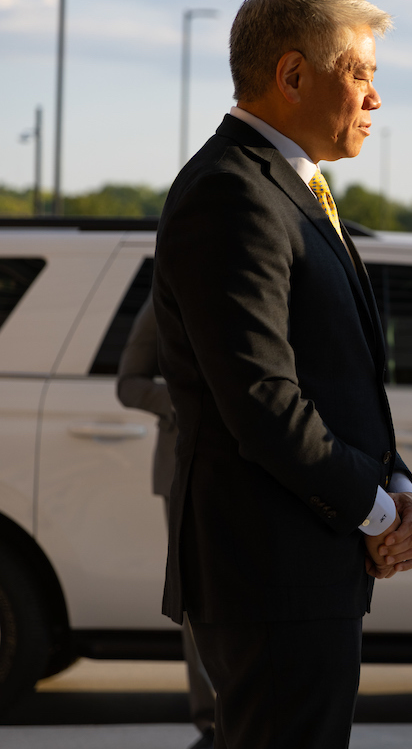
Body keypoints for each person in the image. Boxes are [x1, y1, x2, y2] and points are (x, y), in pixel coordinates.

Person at [153, 0, 412, 749]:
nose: (375, 99)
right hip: (270, 573)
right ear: (293, 75)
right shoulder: (231, 193)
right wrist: (375, 510)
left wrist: (397, 484)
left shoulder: (291, 190)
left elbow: (343, 379)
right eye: (361, 73)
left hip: (306, 568)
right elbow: (263, 401)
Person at [117, 300, 216, 749]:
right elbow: (129, 383)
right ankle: (212, 722)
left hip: (260, 468)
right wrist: (178, 400)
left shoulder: (268, 275)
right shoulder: (164, 296)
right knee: (197, 600)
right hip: (184, 468)